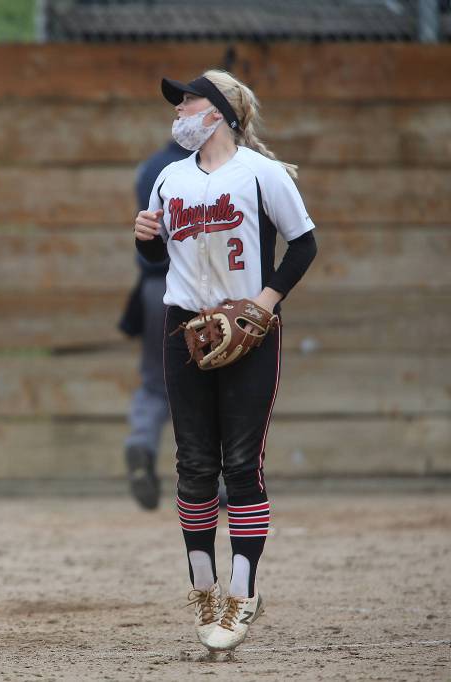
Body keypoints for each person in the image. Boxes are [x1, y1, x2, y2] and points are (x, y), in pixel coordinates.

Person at [133, 71, 317, 652]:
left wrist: (264, 303)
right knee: (192, 462)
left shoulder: (262, 174)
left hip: (249, 330)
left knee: (240, 464)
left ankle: (243, 591)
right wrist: (145, 238)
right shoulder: (170, 177)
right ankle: (204, 585)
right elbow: (159, 258)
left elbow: (304, 242)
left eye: (188, 100)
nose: (180, 110)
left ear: (219, 112)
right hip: (183, 327)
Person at [119, 139, 188, 510]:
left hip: (152, 287)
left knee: (154, 380)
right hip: (193, 289)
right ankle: (214, 478)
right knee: (210, 384)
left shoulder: (149, 166)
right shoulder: (204, 169)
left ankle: (141, 441)